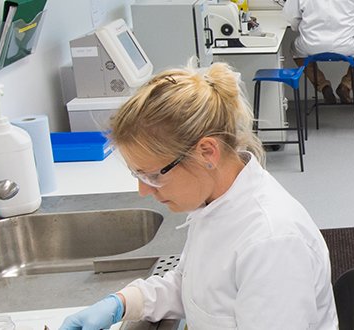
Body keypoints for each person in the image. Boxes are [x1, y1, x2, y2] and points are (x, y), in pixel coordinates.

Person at [60, 63, 338, 329]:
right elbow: (196, 288)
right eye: (139, 176)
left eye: (153, 176)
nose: (143, 191)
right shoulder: (213, 202)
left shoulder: (271, 243)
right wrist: (124, 302)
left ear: (207, 152)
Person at [284, 0, 354, 104]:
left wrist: (303, 27)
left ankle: (323, 86)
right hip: (346, 44)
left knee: (296, 51)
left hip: (312, 44)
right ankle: (346, 85)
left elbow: (291, 18)